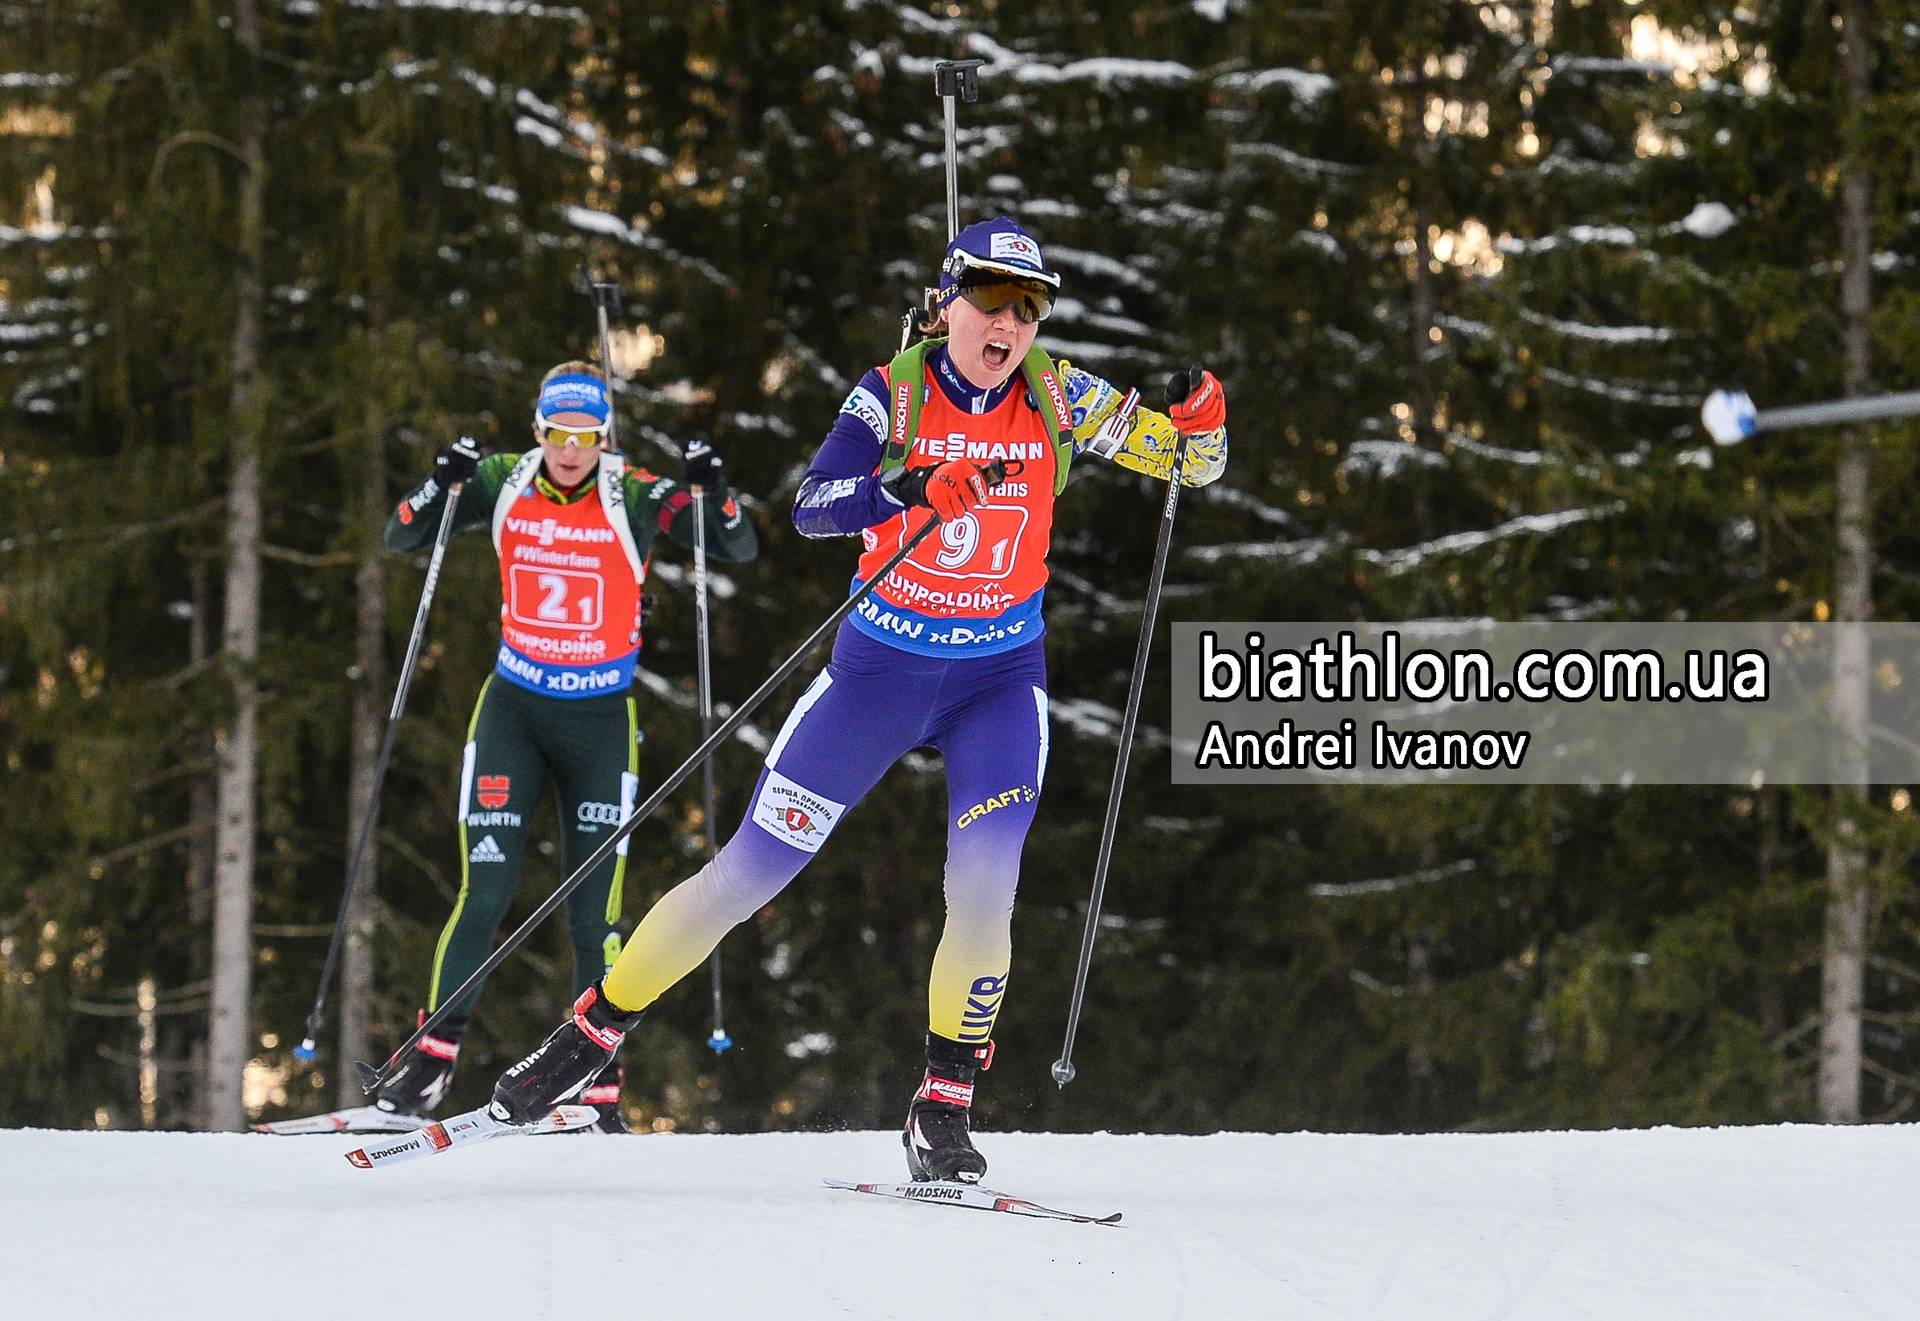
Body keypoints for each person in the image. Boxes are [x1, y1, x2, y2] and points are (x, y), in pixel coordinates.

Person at [485, 218, 1227, 1177]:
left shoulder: (1059, 392)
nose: (1009, 324)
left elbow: (1189, 466)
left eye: (1030, 308)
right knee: (749, 875)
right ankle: (590, 1035)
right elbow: (815, 502)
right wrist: (912, 487)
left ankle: (943, 1108)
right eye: (992, 301)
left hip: (996, 683)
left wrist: (1202, 425)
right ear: (950, 300)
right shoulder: (894, 392)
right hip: (880, 676)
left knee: (985, 886)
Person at [372, 361, 759, 1133]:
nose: (571, 449)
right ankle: (430, 1057)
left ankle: (599, 1084)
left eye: (586, 435)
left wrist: (714, 487)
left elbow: (736, 544)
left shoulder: (635, 493)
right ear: (538, 429)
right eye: (558, 433)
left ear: (603, 435)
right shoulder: (502, 480)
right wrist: (437, 481)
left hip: (599, 722)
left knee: (594, 913)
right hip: (513, 711)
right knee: (484, 888)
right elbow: (401, 533)